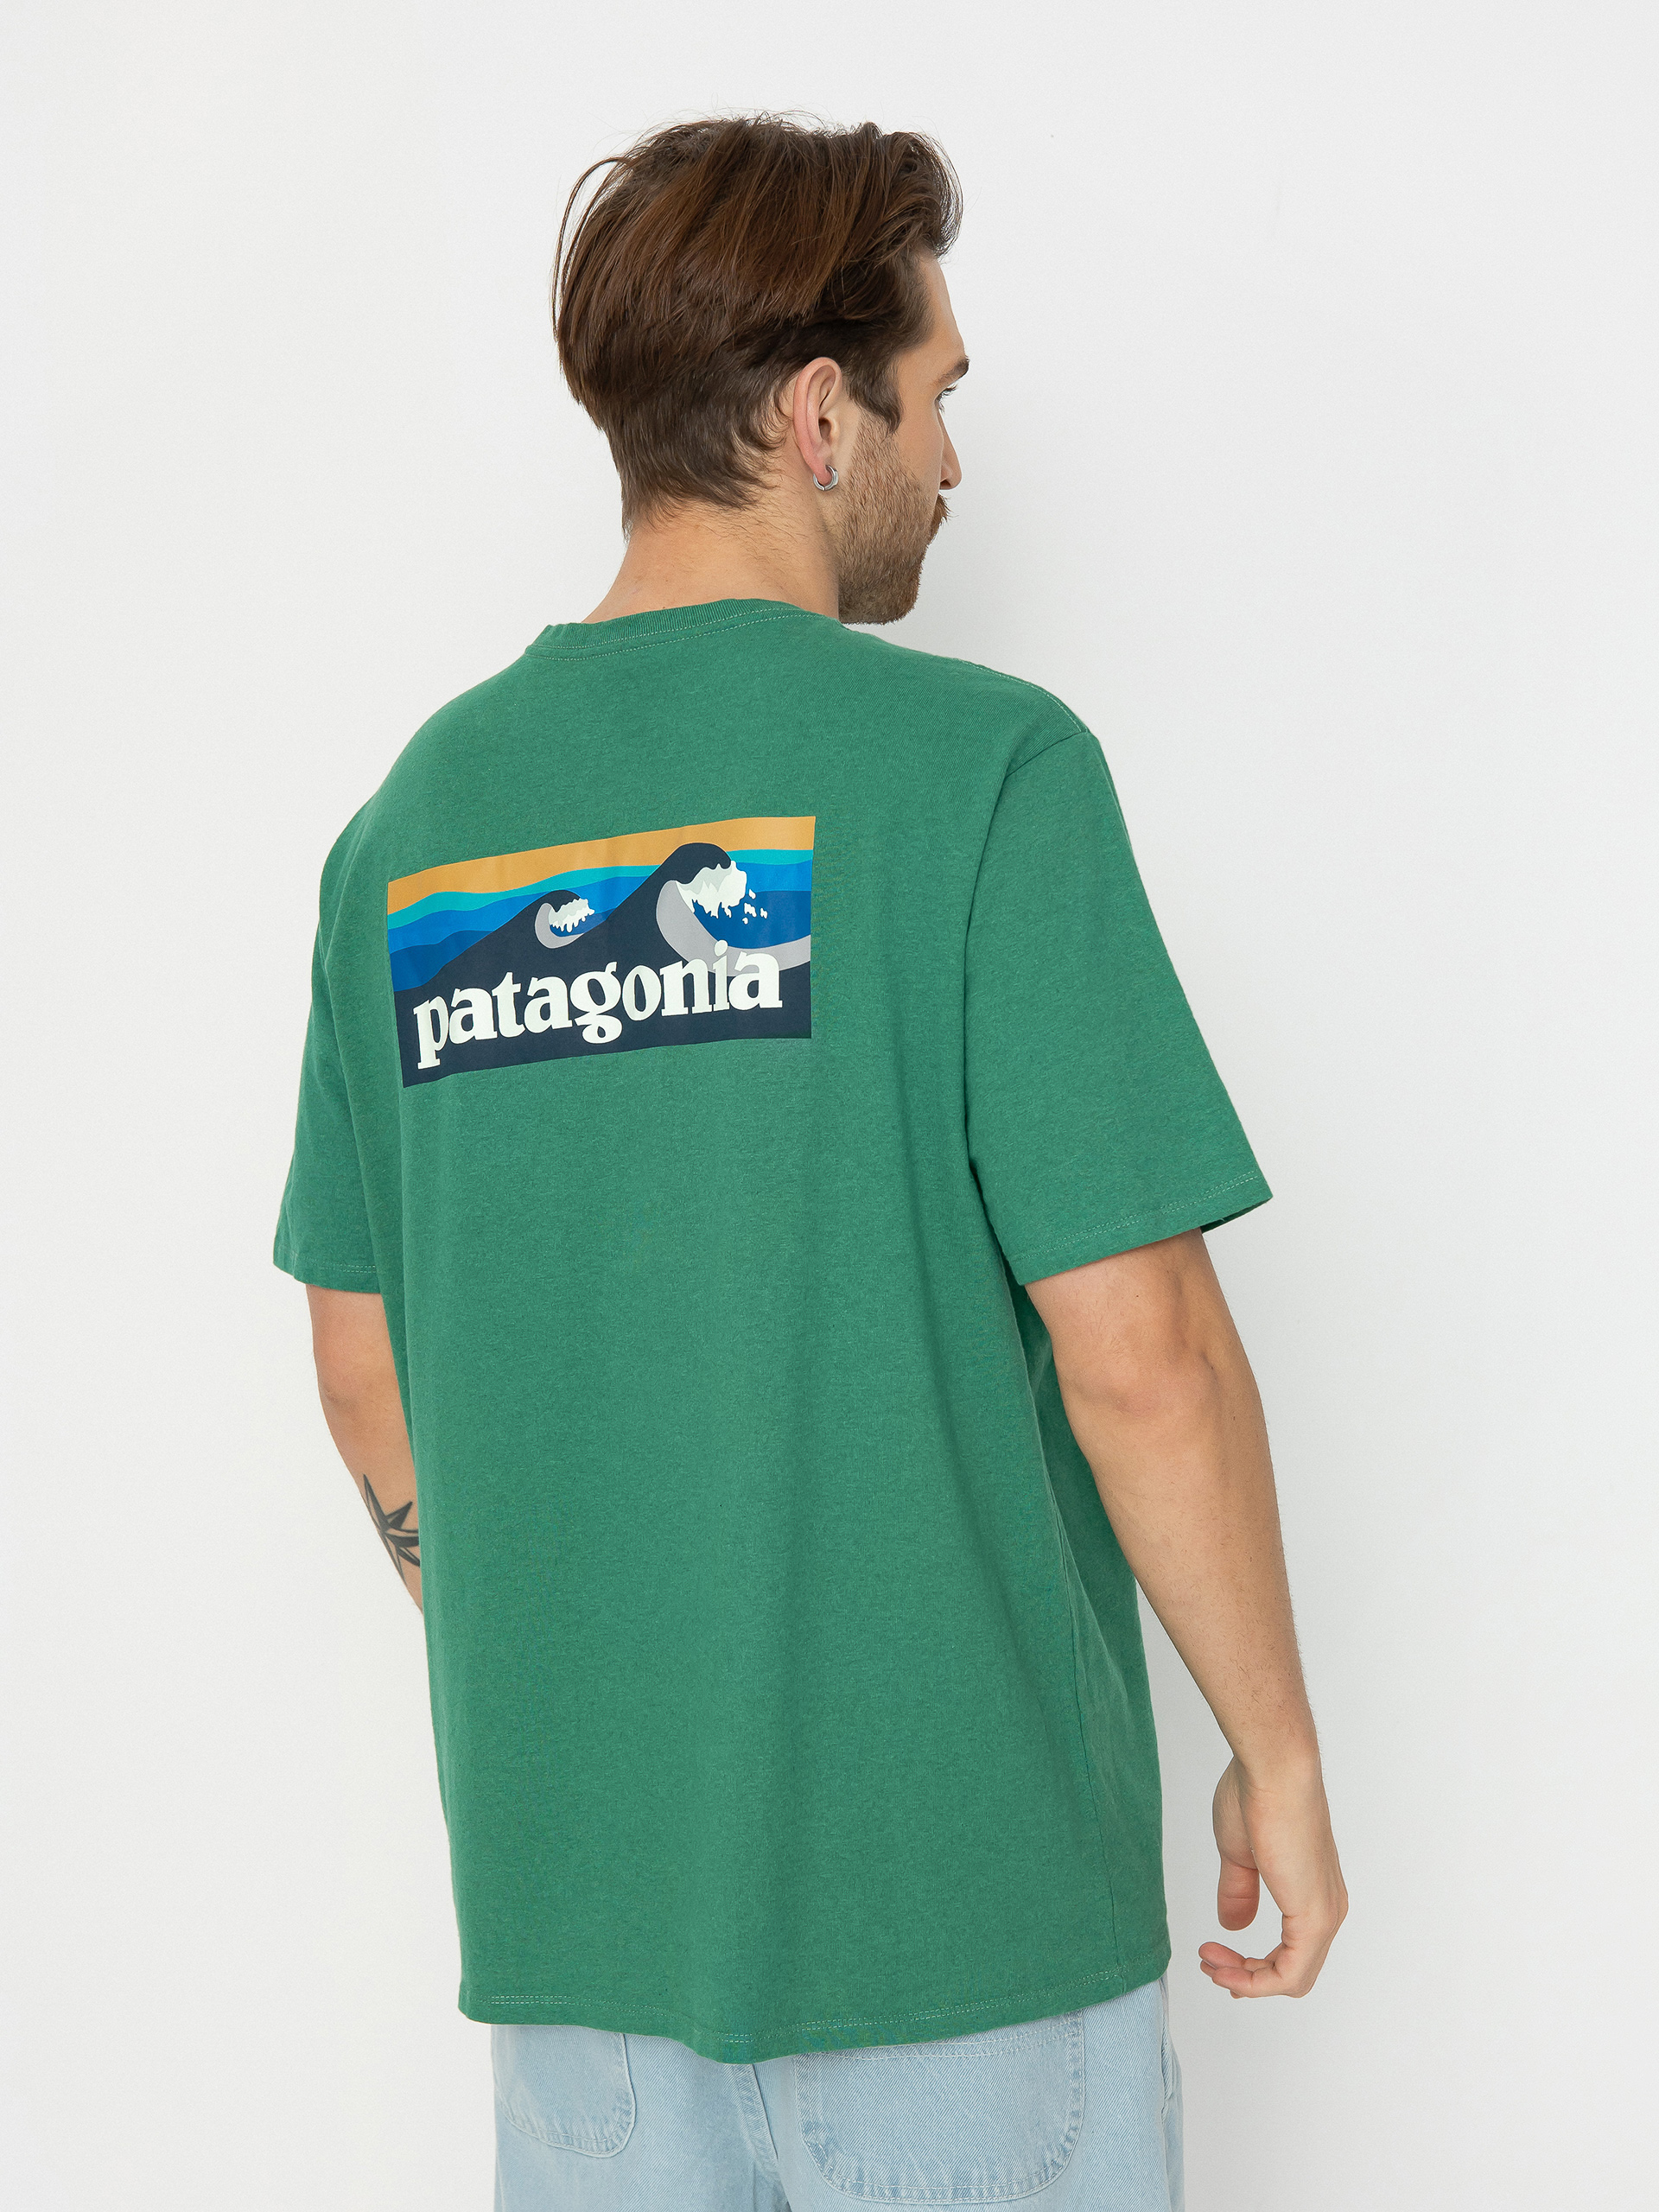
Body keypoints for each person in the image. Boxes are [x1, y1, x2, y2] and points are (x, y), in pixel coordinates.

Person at [276, 115, 1346, 2212]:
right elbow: (1142, 1347)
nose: (954, 461)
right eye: (934, 398)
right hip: (965, 1927)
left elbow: (357, 1360)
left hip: (587, 1952)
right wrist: (1279, 1750)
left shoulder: (413, 835)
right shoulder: (983, 772)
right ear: (814, 413)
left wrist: (590, 1635)